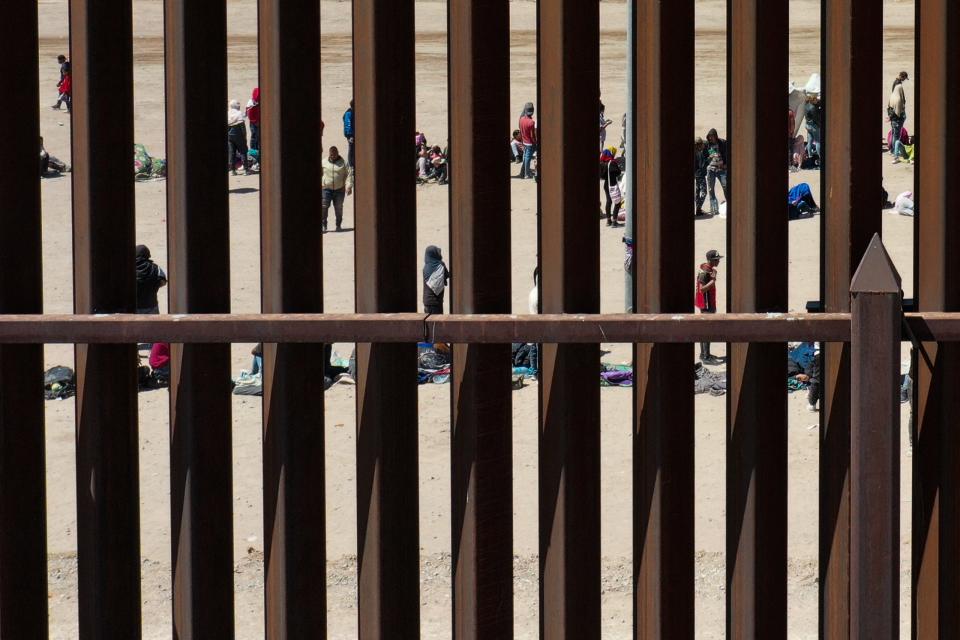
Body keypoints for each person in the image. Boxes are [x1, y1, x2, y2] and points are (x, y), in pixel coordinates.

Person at [695, 250, 723, 364]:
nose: (718, 261)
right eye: (717, 260)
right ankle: (706, 357)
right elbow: (702, 289)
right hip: (706, 306)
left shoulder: (709, 270)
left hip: (708, 304)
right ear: (711, 260)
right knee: (707, 331)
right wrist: (713, 280)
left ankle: (704, 354)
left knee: (705, 331)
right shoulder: (704, 273)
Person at [320, 146, 353, 232]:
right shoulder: (323, 162)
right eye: (331, 155)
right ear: (329, 154)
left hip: (339, 190)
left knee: (338, 208)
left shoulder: (343, 163)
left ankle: (338, 225)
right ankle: (323, 225)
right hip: (326, 188)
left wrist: (349, 186)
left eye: (334, 154)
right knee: (324, 206)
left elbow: (349, 175)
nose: (333, 156)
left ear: (338, 153)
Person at [135, 245, 167, 315]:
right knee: (153, 326)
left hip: (134, 307)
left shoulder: (128, 268)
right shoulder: (155, 267)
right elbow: (163, 282)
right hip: (151, 306)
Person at [704, 129, 728, 216]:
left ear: (715, 136)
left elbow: (728, 153)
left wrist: (726, 164)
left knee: (726, 187)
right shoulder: (707, 144)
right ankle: (714, 209)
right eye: (709, 137)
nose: (711, 138)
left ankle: (729, 206)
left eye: (712, 136)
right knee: (711, 189)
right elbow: (703, 156)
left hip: (721, 169)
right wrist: (708, 158)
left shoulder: (722, 143)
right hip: (711, 169)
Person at [422, 245, 450, 314]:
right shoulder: (441, 265)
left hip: (427, 301)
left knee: (429, 322)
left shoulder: (425, 268)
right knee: (437, 322)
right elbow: (447, 275)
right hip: (437, 301)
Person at [600, 147, 622, 227]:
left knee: (608, 201)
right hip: (613, 184)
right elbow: (618, 173)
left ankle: (608, 220)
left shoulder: (602, 163)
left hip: (606, 185)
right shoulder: (612, 163)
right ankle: (614, 221)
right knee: (618, 202)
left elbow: (602, 176)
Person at [227, 100, 251, 175]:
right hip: (239, 135)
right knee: (243, 151)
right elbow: (242, 128)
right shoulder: (239, 113)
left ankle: (233, 170)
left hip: (230, 136)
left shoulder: (228, 113)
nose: (239, 106)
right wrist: (244, 137)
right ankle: (246, 170)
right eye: (238, 105)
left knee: (232, 153)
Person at [888, 72, 908, 158]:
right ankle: (894, 151)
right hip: (897, 118)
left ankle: (892, 149)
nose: (904, 80)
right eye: (904, 78)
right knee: (896, 135)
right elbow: (898, 109)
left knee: (894, 133)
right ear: (901, 76)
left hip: (893, 117)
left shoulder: (893, 95)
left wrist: (890, 117)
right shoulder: (898, 84)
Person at [518, 102, 537, 179]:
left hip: (524, 141)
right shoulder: (531, 122)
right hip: (530, 143)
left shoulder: (521, 119)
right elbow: (532, 135)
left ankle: (523, 172)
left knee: (525, 157)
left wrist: (522, 141)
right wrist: (535, 142)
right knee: (528, 158)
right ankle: (526, 174)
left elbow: (521, 131)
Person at [804, 94, 823, 164]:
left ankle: (810, 155)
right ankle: (820, 157)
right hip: (814, 126)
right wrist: (820, 125)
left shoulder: (806, 105)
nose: (817, 100)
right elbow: (817, 119)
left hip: (807, 125)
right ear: (813, 100)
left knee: (810, 141)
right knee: (818, 141)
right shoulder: (813, 108)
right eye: (816, 99)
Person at [694, 137, 709, 216]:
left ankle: (698, 209)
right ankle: (698, 209)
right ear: (698, 145)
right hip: (700, 175)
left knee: (697, 192)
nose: (703, 145)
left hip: (696, 175)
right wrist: (708, 160)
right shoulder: (698, 153)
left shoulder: (695, 151)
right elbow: (702, 165)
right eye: (701, 144)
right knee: (704, 192)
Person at [246, 87, 260, 152]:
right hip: (254, 122)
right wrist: (256, 122)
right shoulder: (250, 104)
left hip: (258, 121)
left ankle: (257, 149)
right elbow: (250, 115)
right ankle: (253, 150)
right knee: (254, 135)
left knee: (259, 136)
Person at [343, 99, 355, 168]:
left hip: (353, 134)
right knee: (351, 149)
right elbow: (348, 125)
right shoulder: (349, 113)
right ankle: (351, 165)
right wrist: (350, 136)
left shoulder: (353, 112)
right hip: (351, 135)